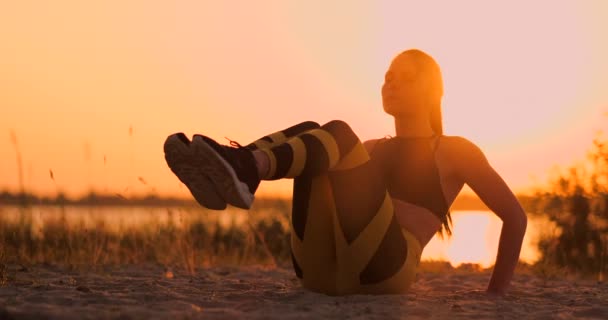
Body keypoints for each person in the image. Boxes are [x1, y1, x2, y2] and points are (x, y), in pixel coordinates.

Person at [163, 49, 527, 296]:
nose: (391, 83)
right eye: (387, 77)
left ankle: (246, 167)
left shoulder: (453, 150)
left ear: (434, 90)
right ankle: (237, 167)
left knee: (335, 132)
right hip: (321, 273)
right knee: (313, 132)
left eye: (405, 78)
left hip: (386, 273)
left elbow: (515, 217)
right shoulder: (369, 150)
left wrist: (495, 294)